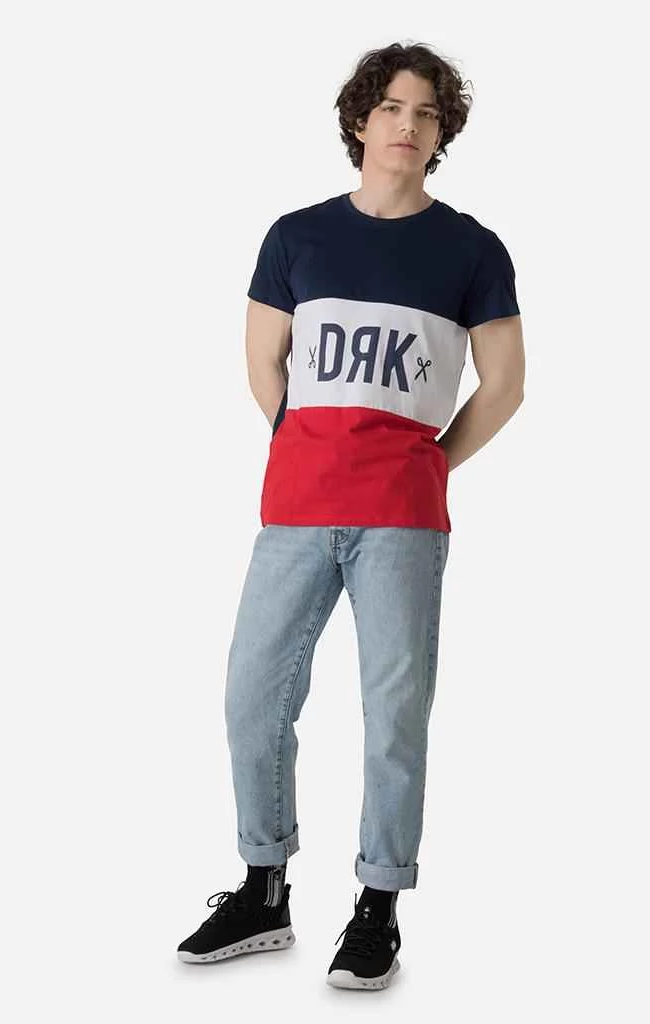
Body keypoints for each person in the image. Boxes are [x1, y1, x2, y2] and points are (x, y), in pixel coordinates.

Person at [177, 40, 525, 990]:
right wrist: (306, 446)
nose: (408, 125)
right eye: (392, 108)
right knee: (253, 696)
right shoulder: (297, 237)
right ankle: (264, 889)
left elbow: (505, 384)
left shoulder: (472, 250)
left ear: (441, 133)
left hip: (402, 519)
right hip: (296, 508)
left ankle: (378, 906)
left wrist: (428, 463)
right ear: (361, 121)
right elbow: (265, 363)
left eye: (427, 113)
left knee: (394, 714)